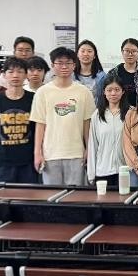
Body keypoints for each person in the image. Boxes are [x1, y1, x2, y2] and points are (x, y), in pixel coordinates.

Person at [30, 47, 95, 186]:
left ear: (74, 65)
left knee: (76, 195)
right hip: (50, 154)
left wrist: (89, 150)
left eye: (68, 63)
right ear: (52, 66)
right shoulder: (42, 92)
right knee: (52, 196)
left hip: (76, 153)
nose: (64, 67)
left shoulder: (84, 92)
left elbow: (87, 124)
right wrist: (37, 153)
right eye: (60, 63)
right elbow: (40, 125)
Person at [0, 57, 37, 183]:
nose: (15, 75)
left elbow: (37, 127)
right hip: (3, 160)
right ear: (4, 75)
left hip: (28, 159)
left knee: (29, 193)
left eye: (20, 72)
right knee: (2, 194)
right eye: (10, 72)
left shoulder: (34, 99)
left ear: (26, 75)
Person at [87, 74, 130, 187]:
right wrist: (91, 175)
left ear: (123, 91)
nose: (113, 93)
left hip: (126, 171)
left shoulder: (131, 113)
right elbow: (93, 146)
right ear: (104, 92)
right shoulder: (97, 115)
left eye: (117, 90)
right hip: (103, 171)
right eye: (109, 90)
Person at [103, 38, 138, 107]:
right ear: (122, 52)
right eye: (127, 51)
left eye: (134, 51)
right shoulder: (113, 73)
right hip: (118, 111)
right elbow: (106, 95)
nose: (130, 54)